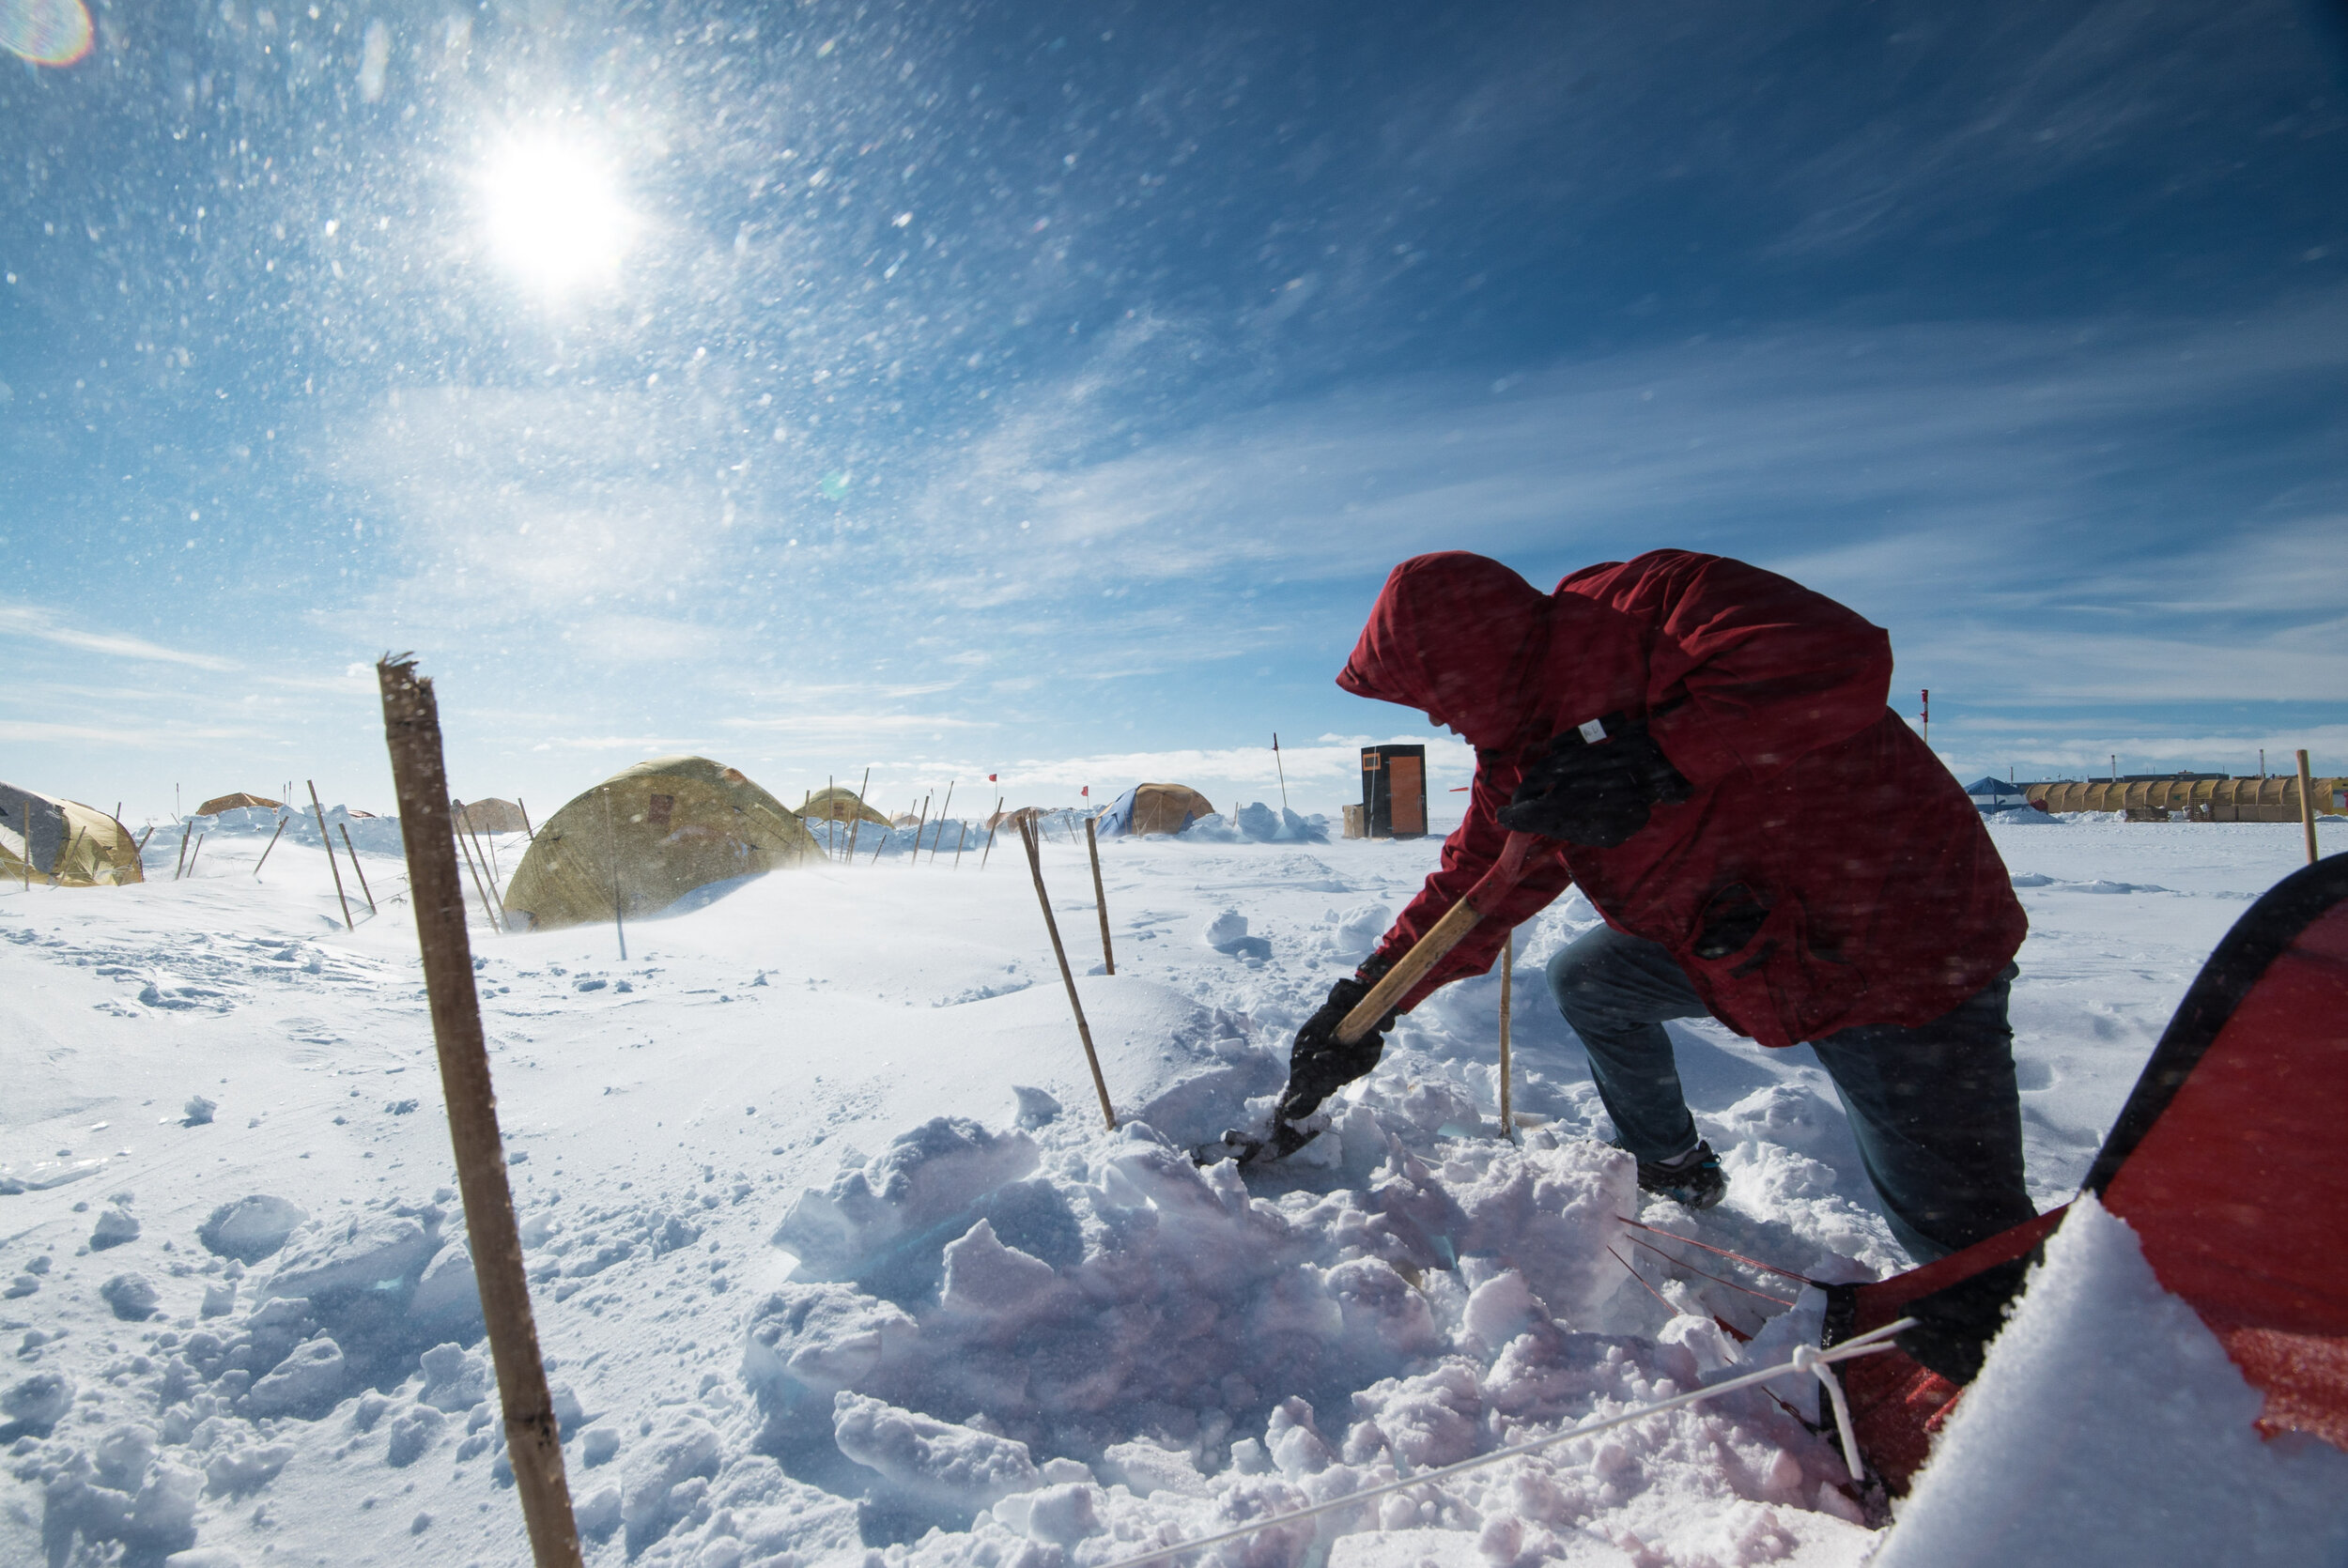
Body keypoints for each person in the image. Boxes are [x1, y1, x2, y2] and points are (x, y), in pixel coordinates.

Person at [1274, 548, 2036, 1263]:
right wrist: (1368, 1000)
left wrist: (1654, 759)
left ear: (1467, 663)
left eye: (1433, 697)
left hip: (1894, 945)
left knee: (1961, 1237)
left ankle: (2001, 1348)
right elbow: (1478, 884)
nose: (1438, 721)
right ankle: (1673, 1166)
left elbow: (1838, 659)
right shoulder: (1525, 750)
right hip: (1749, 944)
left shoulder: (1658, 605)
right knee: (1592, 981)